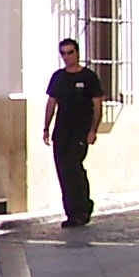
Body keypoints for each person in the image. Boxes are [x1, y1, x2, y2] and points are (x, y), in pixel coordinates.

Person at [43, 38, 105, 230]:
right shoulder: (58, 77)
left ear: (77, 53)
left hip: (80, 133)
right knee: (63, 172)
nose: (67, 57)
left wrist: (93, 130)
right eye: (63, 53)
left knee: (74, 169)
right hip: (61, 133)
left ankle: (83, 208)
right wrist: (46, 127)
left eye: (70, 52)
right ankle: (71, 213)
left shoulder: (88, 77)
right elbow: (51, 103)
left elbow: (97, 105)